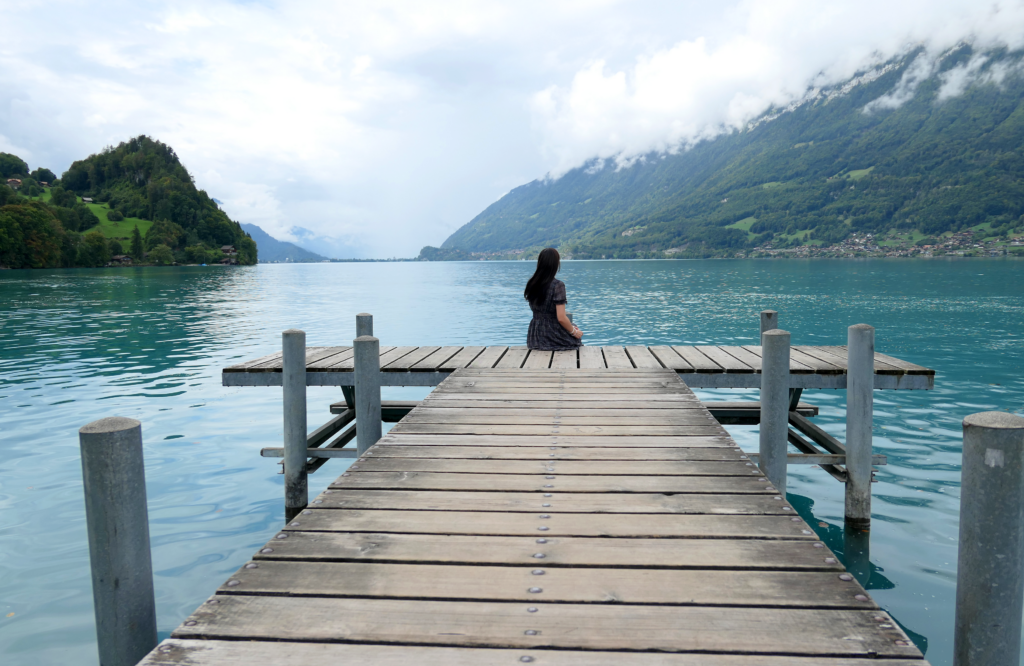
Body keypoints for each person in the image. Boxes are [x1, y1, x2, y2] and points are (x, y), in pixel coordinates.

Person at [525, 248, 583, 350]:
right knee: (576, 337)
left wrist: (572, 328)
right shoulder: (558, 285)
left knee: (572, 325)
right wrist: (574, 332)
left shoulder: (532, 283)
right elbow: (561, 318)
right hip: (552, 335)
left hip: (535, 337)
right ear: (556, 264)